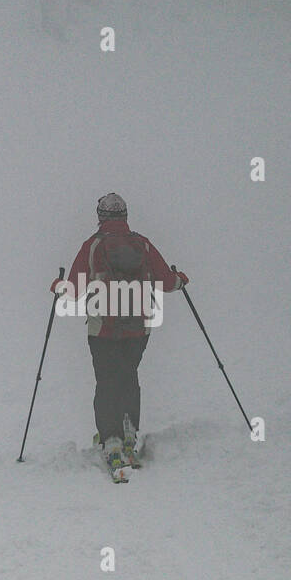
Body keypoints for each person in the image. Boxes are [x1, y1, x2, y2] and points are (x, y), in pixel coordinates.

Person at [50, 193, 187, 473]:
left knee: (106, 380)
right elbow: (166, 281)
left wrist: (56, 286)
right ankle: (129, 431)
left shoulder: (93, 246)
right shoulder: (143, 244)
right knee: (129, 374)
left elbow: (74, 291)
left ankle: (111, 438)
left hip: (103, 329)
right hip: (139, 327)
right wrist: (180, 280)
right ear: (125, 215)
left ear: (100, 216)